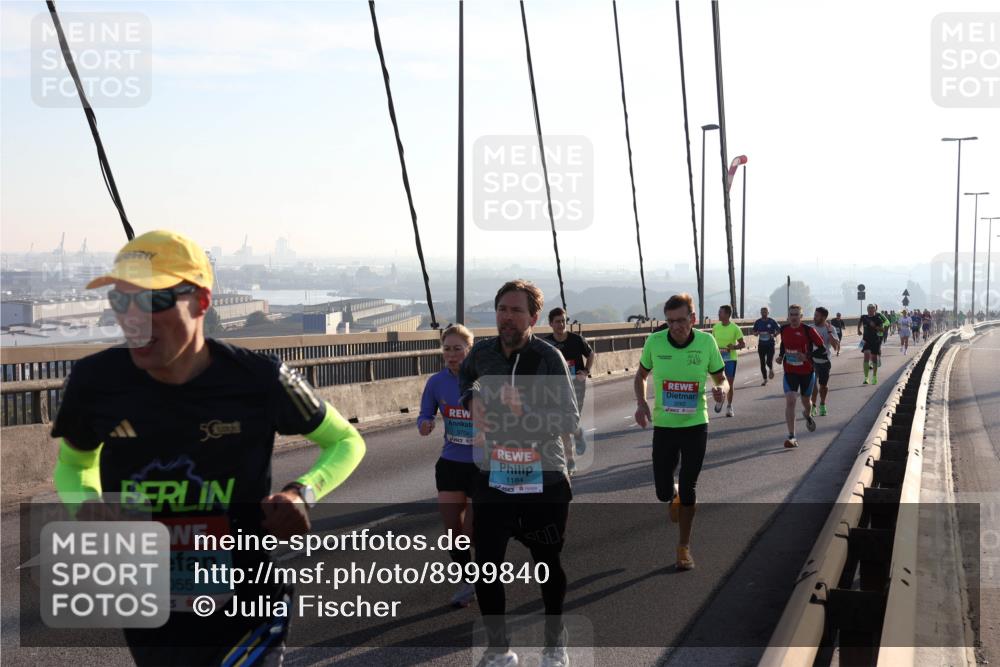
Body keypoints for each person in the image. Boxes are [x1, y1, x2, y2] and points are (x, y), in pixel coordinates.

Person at [50, 230, 366, 666]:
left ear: (201, 301)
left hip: (247, 600)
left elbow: (345, 441)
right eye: (121, 301)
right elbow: (73, 465)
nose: (133, 318)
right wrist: (83, 504)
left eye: (153, 300)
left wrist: (302, 491)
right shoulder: (94, 382)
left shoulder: (261, 378)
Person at [459, 280, 579, 667]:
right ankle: (499, 651)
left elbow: (569, 418)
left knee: (547, 565)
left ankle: (554, 645)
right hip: (495, 475)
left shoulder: (547, 359)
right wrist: (472, 398)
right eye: (501, 309)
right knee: (486, 565)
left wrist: (524, 412)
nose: (507, 317)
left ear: (533, 317)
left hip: (544, 477)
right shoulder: (480, 353)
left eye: (515, 310)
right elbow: (466, 380)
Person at [634, 293, 727, 571]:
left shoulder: (706, 342)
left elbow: (721, 378)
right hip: (664, 426)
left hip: (695, 423)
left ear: (693, 319)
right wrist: (641, 403)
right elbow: (640, 375)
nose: (676, 326)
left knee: (689, 487)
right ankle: (671, 493)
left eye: (682, 320)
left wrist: (722, 390)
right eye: (671, 321)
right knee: (664, 493)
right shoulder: (655, 341)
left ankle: (683, 547)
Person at [417, 324, 478, 608]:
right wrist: (425, 424)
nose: (451, 355)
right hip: (451, 463)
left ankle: (478, 577)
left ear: (470, 350)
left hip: (482, 466)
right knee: (452, 533)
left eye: (457, 349)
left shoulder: (484, 380)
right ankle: (468, 582)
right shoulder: (436, 383)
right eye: (447, 350)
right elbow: (423, 414)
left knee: (470, 533)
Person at [545, 307, 596, 461]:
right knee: (563, 424)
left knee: (570, 421)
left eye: (563, 321)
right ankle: (571, 461)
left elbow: (591, 353)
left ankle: (579, 433)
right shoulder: (547, 343)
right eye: (557, 322)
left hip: (576, 385)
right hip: (557, 388)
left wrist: (585, 371)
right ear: (551, 324)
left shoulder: (576, 339)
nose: (561, 324)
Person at [777, 304, 828, 447]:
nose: (793, 317)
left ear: (801, 316)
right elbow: (783, 344)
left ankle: (808, 414)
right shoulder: (784, 329)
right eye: (791, 314)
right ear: (788, 316)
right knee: (791, 400)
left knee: (806, 402)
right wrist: (781, 356)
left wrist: (807, 356)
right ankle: (792, 436)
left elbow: (822, 349)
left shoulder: (808, 330)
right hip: (790, 371)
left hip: (807, 372)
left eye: (796, 315)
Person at [711, 305, 745, 416]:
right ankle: (721, 399)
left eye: (720, 312)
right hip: (718, 359)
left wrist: (733, 347)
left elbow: (742, 344)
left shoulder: (735, 328)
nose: (718, 314)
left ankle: (729, 407)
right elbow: (712, 343)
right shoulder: (716, 327)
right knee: (719, 382)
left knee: (729, 384)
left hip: (730, 359)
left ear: (727, 314)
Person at [810, 307, 841, 416]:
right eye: (814, 315)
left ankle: (822, 403)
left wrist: (829, 332)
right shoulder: (810, 328)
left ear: (823, 317)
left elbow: (835, 347)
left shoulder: (831, 328)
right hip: (811, 360)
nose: (814, 317)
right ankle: (813, 406)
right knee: (812, 385)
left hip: (824, 361)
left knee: (823, 386)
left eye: (817, 315)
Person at [857, 303, 885, 384]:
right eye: (869, 308)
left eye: (872, 308)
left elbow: (882, 330)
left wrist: (875, 326)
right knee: (866, 356)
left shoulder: (878, 319)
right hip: (865, 340)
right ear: (867, 309)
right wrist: (858, 330)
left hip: (875, 340)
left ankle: (874, 377)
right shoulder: (864, 317)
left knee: (874, 359)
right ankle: (866, 378)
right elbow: (859, 322)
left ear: (875, 310)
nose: (870, 310)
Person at [753, 306, 781, 385]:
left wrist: (774, 335)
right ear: (760, 313)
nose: (763, 313)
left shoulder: (772, 321)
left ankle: (771, 369)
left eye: (765, 312)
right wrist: (756, 333)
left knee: (769, 361)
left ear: (768, 313)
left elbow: (779, 330)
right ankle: (765, 379)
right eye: (762, 312)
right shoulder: (758, 322)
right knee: (762, 363)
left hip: (770, 345)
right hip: (761, 345)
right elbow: (754, 332)